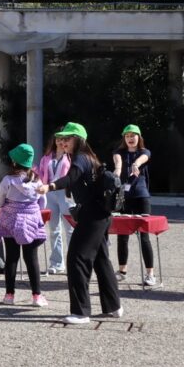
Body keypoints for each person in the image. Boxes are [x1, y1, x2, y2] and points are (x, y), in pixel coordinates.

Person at [39, 122, 122, 324]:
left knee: (77, 258)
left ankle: (81, 312)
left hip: (93, 215)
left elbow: (70, 178)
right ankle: (114, 306)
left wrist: (49, 186)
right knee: (101, 259)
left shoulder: (81, 159)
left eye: (68, 138)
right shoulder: (88, 158)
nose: (63, 141)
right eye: (61, 138)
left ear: (79, 140)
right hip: (98, 213)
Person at [0, 144, 48, 307]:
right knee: (32, 259)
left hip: (10, 220)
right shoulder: (37, 180)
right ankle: (37, 296)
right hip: (31, 221)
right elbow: (42, 202)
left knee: (11, 258)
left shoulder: (8, 180)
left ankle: (9, 295)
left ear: (15, 162)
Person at [112, 124, 156, 286]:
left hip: (141, 197)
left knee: (144, 236)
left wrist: (136, 165)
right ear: (124, 138)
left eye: (133, 135)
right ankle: (122, 271)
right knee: (122, 236)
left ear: (139, 137)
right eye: (127, 135)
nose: (130, 138)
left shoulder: (144, 152)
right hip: (124, 198)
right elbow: (117, 162)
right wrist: (117, 170)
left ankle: (150, 274)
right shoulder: (119, 152)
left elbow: (142, 159)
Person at [35, 130, 73, 275]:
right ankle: (57, 263)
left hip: (65, 193)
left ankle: (73, 262)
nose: (61, 141)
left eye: (64, 139)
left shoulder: (70, 157)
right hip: (49, 192)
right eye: (58, 138)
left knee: (70, 229)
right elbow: (41, 175)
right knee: (54, 230)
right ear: (54, 140)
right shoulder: (46, 157)